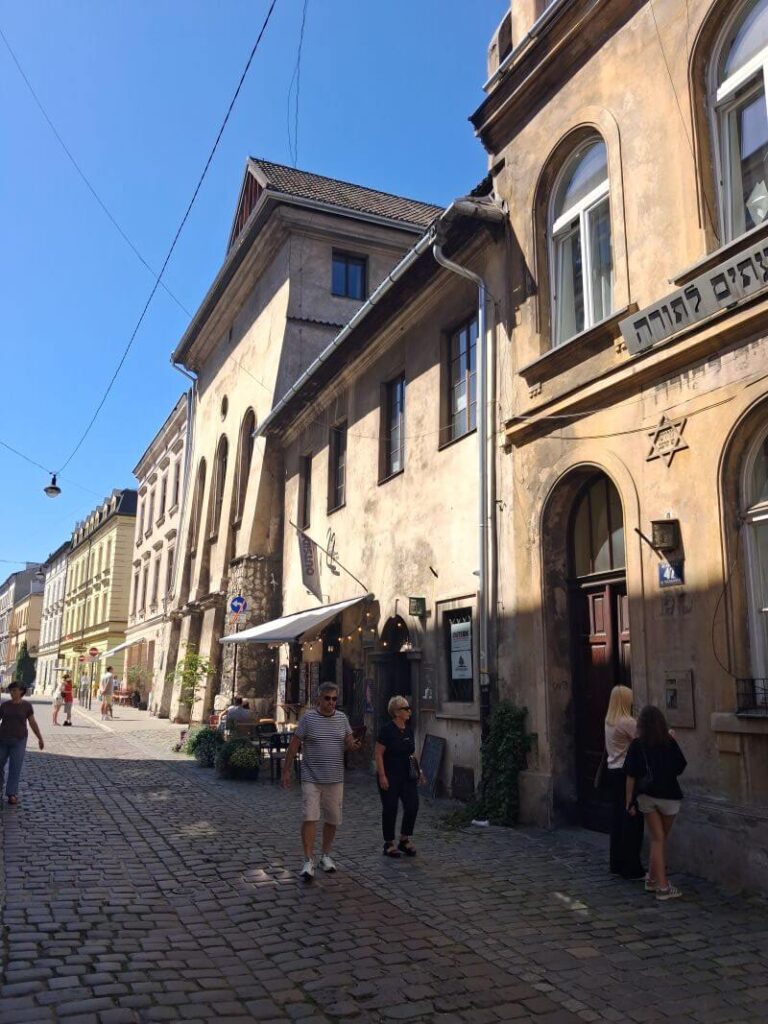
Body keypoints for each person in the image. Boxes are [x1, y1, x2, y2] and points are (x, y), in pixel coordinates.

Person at [281, 682, 361, 881]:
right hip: (311, 778)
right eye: (327, 698)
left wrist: (354, 745)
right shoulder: (308, 719)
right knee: (310, 816)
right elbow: (294, 745)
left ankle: (325, 855)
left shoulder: (342, 718)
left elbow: (349, 742)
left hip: (335, 778)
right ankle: (308, 860)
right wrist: (286, 770)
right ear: (319, 699)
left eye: (334, 699)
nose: (331, 702)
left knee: (333, 819)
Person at [625, 705, 687, 901]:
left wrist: (629, 802)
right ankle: (663, 887)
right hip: (669, 796)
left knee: (657, 840)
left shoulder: (637, 744)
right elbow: (680, 767)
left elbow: (630, 776)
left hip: (647, 796)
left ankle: (653, 880)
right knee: (659, 839)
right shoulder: (668, 742)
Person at [375, 695, 423, 858]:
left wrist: (419, 772)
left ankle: (404, 839)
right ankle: (389, 843)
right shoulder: (387, 730)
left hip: (407, 775)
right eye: (406, 708)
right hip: (390, 774)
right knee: (390, 808)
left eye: (409, 708)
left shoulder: (408, 730)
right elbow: (378, 753)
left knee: (412, 805)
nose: (409, 711)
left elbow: (412, 754)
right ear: (396, 712)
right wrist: (382, 775)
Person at [604, 684, 644, 879]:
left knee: (617, 818)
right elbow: (643, 741)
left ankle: (617, 862)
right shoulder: (626, 722)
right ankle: (631, 866)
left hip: (612, 770)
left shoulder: (609, 721)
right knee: (631, 818)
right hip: (626, 774)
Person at [0, 681, 44, 804]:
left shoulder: (26, 706)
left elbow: (32, 722)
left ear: (21, 691)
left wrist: (40, 738)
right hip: (2, 740)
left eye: (14, 690)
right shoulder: (4, 706)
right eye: (11, 690)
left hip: (19, 740)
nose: (12, 693)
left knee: (15, 767)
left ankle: (11, 793)